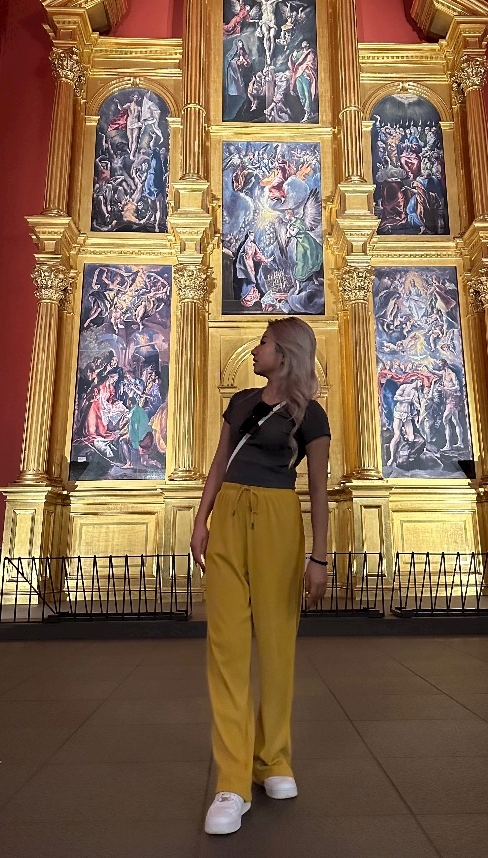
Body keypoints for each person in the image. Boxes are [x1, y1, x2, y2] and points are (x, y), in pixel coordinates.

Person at [190, 317, 330, 835]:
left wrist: (320, 558)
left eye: (265, 342)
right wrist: (201, 519)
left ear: (285, 353)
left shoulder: (311, 415)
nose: (256, 349)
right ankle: (232, 781)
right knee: (225, 646)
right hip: (229, 516)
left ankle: (274, 759)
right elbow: (218, 464)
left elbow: (318, 489)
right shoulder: (241, 403)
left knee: (276, 643)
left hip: (278, 521)